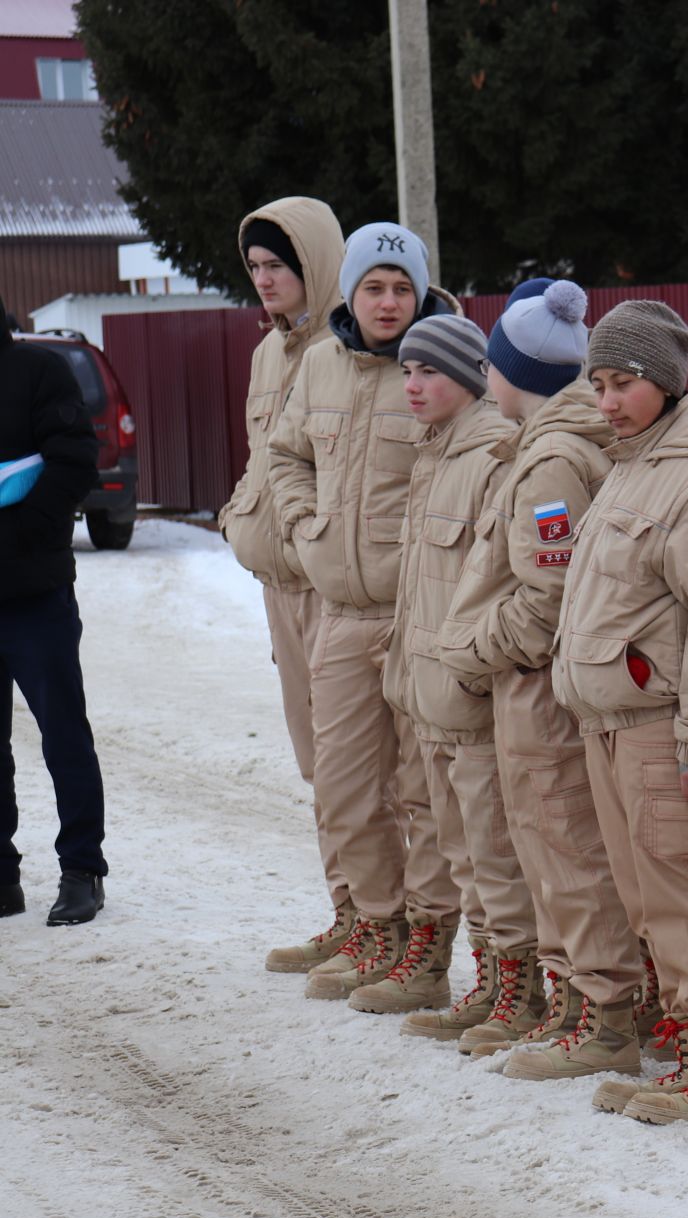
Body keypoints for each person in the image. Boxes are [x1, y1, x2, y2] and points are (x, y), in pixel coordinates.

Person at [536, 301, 688, 1132]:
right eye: (598, 383)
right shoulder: (631, 466)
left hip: (663, 727)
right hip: (608, 721)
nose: (607, 400)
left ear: (667, 384)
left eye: (624, 383)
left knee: (682, 892)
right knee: (646, 897)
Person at [438, 278, 652, 1058]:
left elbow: (547, 599)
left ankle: (602, 1013)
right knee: (549, 842)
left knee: (566, 847)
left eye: (493, 361)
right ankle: (576, 1003)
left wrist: (470, 644)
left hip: (539, 687)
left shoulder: (553, 460)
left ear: (513, 372)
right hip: (537, 684)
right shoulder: (541, 445)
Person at [266, 221, 455, 1001]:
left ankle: (430, 951)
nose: (387, 301)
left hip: (417, 615)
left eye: (401, 287)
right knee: (342, 783)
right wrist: (304, 527)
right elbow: (284, 454)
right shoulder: (318, 365)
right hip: (340, 610)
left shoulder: (443, 361)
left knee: (424, 793)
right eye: (374, 286)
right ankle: (377, 928)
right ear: (349, 290)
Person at [344, 313, 526, 1021]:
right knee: (458, 851)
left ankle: (518, 986)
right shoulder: (434, 454)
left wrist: (469, 669)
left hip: (470, 693)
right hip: (426, 696)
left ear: (472, 377)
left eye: (430, 372)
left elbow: (501, 587)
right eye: (408, 371)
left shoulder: (490, 457)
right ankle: (488, 979)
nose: (413, 385)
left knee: (494, 851)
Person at [225, 201, 350, 972]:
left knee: (360, 763)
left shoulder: (350, 348)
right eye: (257, 269)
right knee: (316, 762)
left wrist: (314, 544)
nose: (266, 281)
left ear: (315, 265)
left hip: (336, 586)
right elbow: (263, 460)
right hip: (282, 588)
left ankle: (397, 923)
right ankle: (352, 912)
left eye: (279, 266)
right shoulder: (268, 356)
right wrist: (240, 518)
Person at [0, 296, 106, 926]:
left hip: (35, 592)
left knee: (62, 732)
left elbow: (74, 463)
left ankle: (82, 869)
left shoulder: (39, 372)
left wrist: (14, 538)